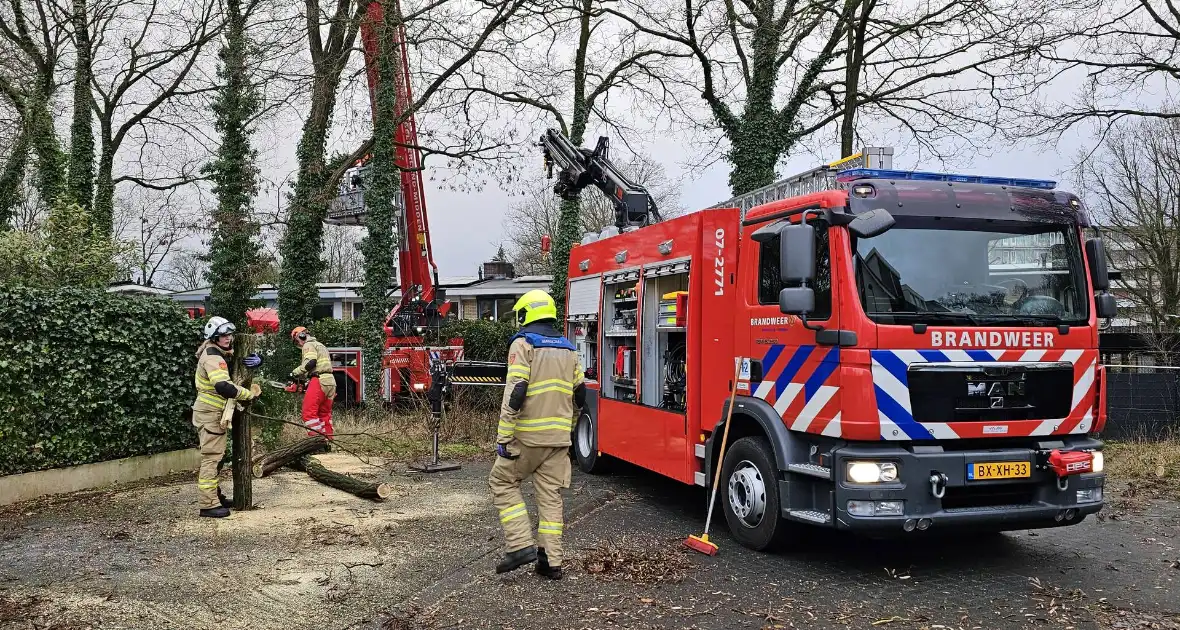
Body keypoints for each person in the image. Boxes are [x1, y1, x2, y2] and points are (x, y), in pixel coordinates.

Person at [489, 289, 585, 580]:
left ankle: (519, 546)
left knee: (502, 482)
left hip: (527, 438)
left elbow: (516, 390)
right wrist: (568, 428)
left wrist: (504, 436)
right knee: (551, 498)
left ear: (527, 313)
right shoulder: (568, 349)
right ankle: (550, 562)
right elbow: (580, 394)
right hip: (558, 441)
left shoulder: (523, 344)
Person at [192, 317, 262, 518]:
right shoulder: (213, 357)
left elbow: (233, 362)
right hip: (210, 414)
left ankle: (215, 496)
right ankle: (208, 504)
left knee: (217, 458)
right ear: (214, 337)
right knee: (212, 458)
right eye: (224, 335)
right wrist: (248, 395)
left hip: (212, 413)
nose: (228, 338)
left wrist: (258, 360)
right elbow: (223, 386)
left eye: (230, 334)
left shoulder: (217, 352)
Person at [289, 326, 336, 439]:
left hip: (319, 380)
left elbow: (310, 363)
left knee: (308, 414)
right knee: (324, 415)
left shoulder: (308, 345)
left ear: (301, 335)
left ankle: (316, 442)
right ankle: (328, 441)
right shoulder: (321, 345)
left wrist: (293, 373)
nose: (298, 344)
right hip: (330, 381)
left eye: (297, 340)